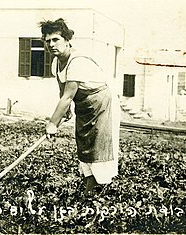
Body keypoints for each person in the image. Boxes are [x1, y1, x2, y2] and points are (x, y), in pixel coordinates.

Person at [40, 18, 119, 196]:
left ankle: (101, 189)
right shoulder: (56, 63)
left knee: (99, 146)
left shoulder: (78, 61)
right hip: (84, 106)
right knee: (84, 143)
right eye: (47, 41)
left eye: (56, 39)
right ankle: (89, 188)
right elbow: (63, 89)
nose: (51, 44)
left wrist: (52, 123)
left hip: (102, 105)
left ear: (67, 40)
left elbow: (68, 96)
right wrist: (65, 111)